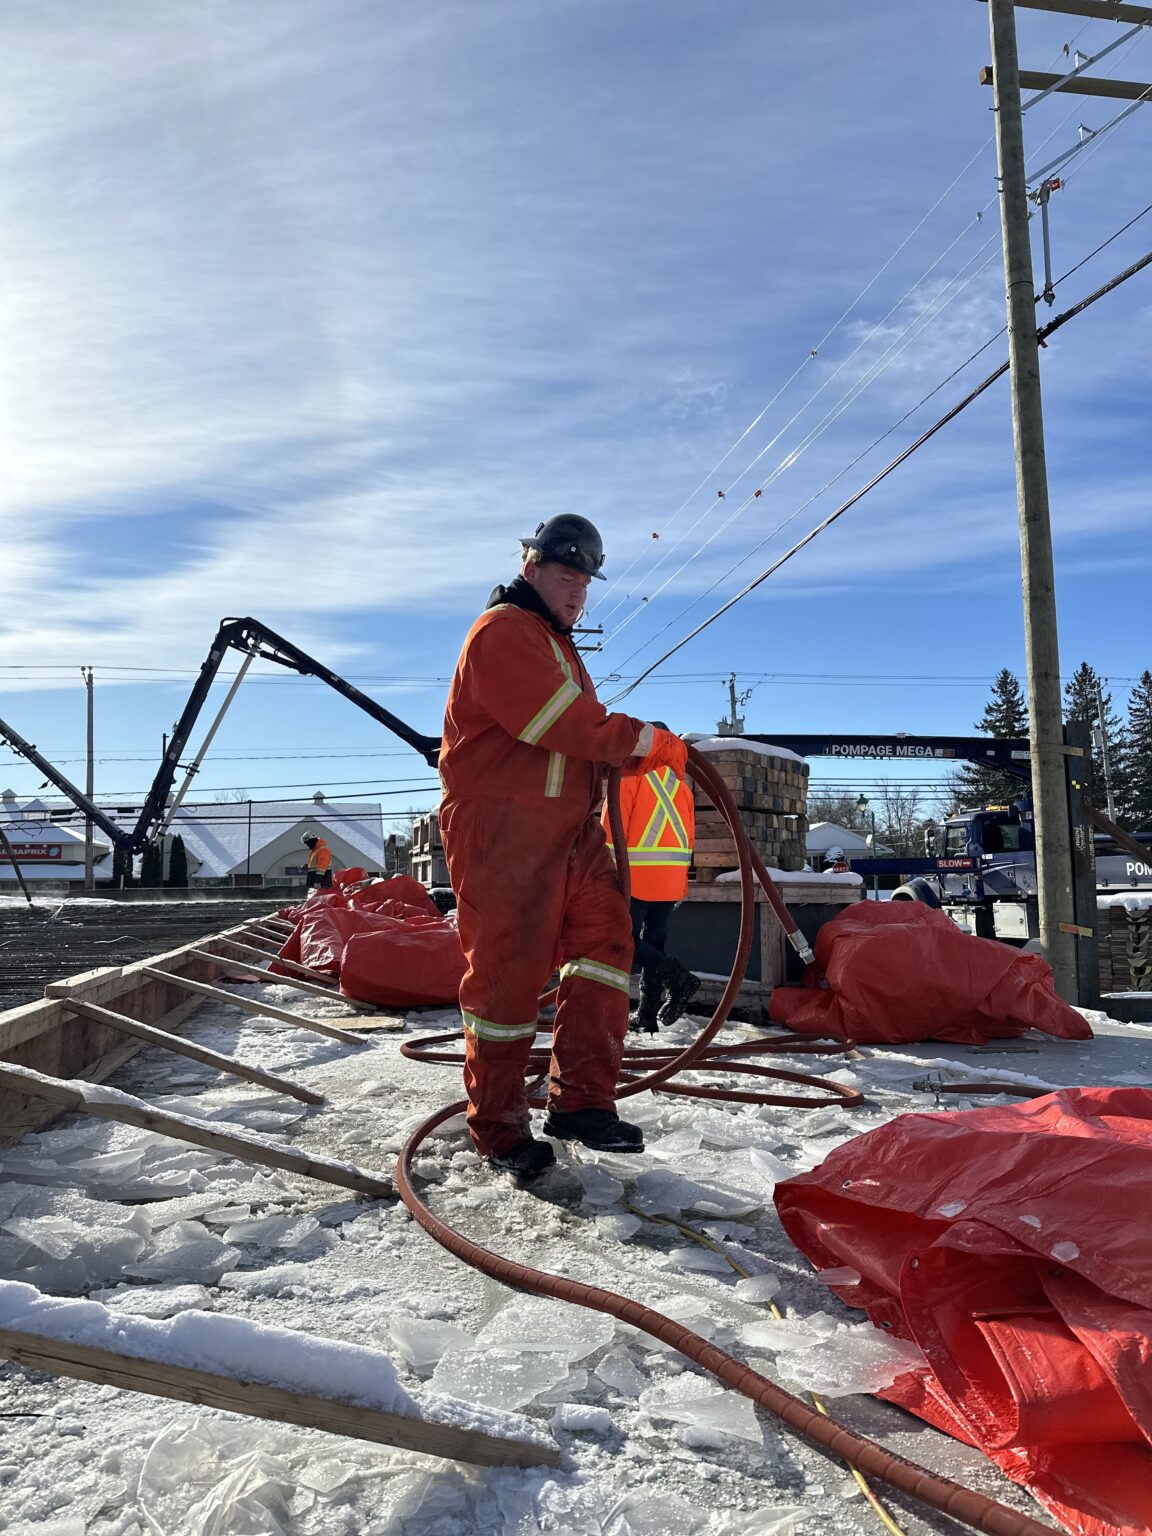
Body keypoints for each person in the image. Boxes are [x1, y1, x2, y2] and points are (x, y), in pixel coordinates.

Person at [438, 514, 687, 1179]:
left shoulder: (555, 642)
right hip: (504, 834)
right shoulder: (504, 634)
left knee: (607, 948)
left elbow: (578, 745)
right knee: (508, 980)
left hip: (569, 834)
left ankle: (581, 1102)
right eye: (566, 576)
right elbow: (564, 724)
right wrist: (647, 742)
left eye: (585, 582)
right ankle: (498, 1129)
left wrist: (631, 756)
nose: (578, 593)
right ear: (532, 569)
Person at [602, 724, 699, 1032]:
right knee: (653, 943)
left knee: (621, 942)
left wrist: (603, 872)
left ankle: (678, 978)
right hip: (670, 880)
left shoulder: (630, 776)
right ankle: (646, 1015)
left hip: (637, 878)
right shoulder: (680, 785)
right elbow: (690, 836)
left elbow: (610, 831)